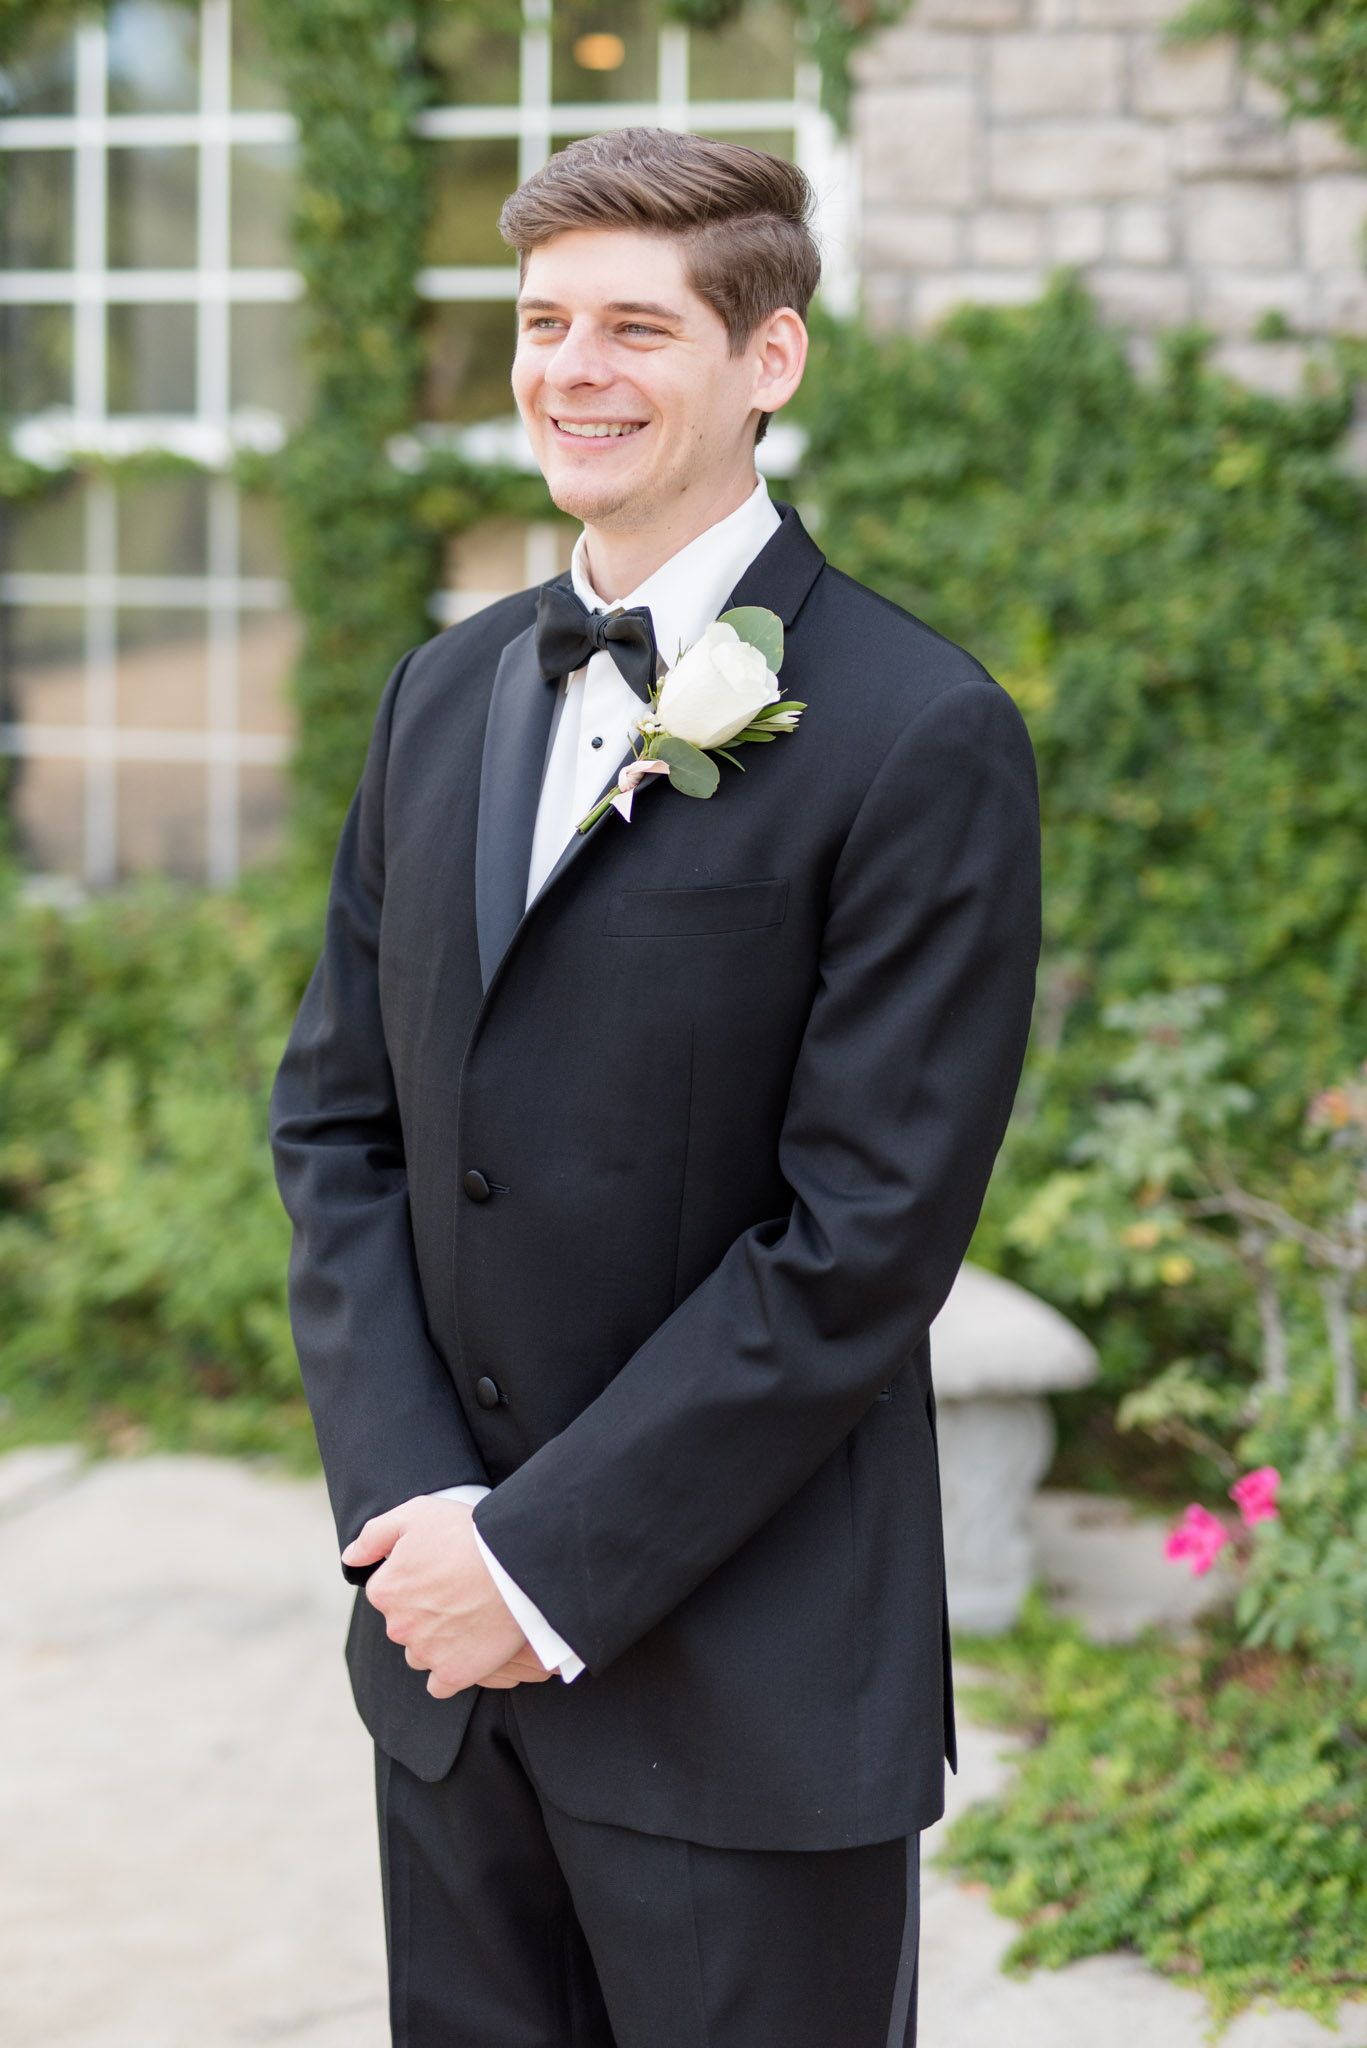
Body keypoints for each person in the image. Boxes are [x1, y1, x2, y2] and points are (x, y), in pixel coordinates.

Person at [270, 126, 1040, 2048]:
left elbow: (863, 1242)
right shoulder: (438, 696)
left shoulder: (920, 732)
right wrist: (420, 1528)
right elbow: (338, 1125)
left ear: (766, 360)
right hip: (445, 1676)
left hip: (747, 1701)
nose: (572, 371)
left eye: (637, 324)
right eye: (543, 322)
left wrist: (542, 1560)